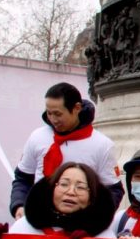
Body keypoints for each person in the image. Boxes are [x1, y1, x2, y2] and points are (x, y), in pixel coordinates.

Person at [11, 82, 121, 217]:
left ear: (77, 108)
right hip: (37, 219)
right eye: (49, 113)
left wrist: (94, 221)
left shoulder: (101, 145)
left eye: (58, 114)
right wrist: (19, 205)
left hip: (79, 225)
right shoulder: (38, 137)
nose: (53, 119)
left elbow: (113, 191)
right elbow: (23, 178)